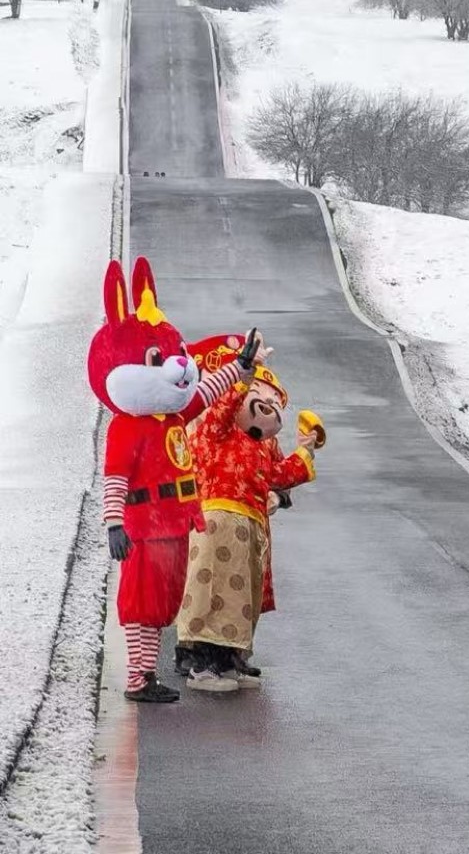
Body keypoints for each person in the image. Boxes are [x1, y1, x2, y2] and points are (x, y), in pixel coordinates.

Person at [86, 258, 256, 703]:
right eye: (158, 358)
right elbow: (115, 479)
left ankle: (147, 675)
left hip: (175, 525)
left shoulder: (173, 417)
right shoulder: (126, 428)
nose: (178, 365)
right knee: (140, 605)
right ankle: (137, 679)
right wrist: (114, 524)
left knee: (162, 606)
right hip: (144, 528)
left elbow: (206, 391)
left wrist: (238, 368)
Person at [175, 357, 320, 692]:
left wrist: (305, 452)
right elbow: (221, 412)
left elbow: (280, 474)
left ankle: (228, 661)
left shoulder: (263, 445)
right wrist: (242, 378)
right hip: (217, 521)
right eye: (258, 394)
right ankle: (202, 666)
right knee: (213, 590)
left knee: (240, 596)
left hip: (251, 524)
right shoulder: (217, 429)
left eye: (274, 401)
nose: (267, 404)